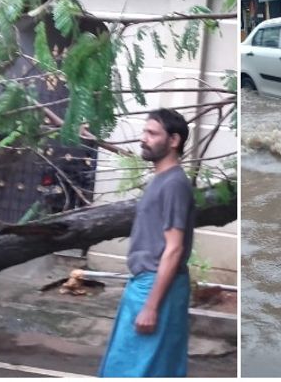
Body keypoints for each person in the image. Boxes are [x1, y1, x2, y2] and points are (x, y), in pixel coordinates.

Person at [99, 108, 196, 377]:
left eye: (152, 133)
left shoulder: (174, 184)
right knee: (143, 367)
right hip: (147, 283)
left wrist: (151, 306)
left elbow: (174, 248)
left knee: (134, 370)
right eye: (144, 132)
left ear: (173, 141)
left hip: (156, 285)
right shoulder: (161, 180)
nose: (144, 138)